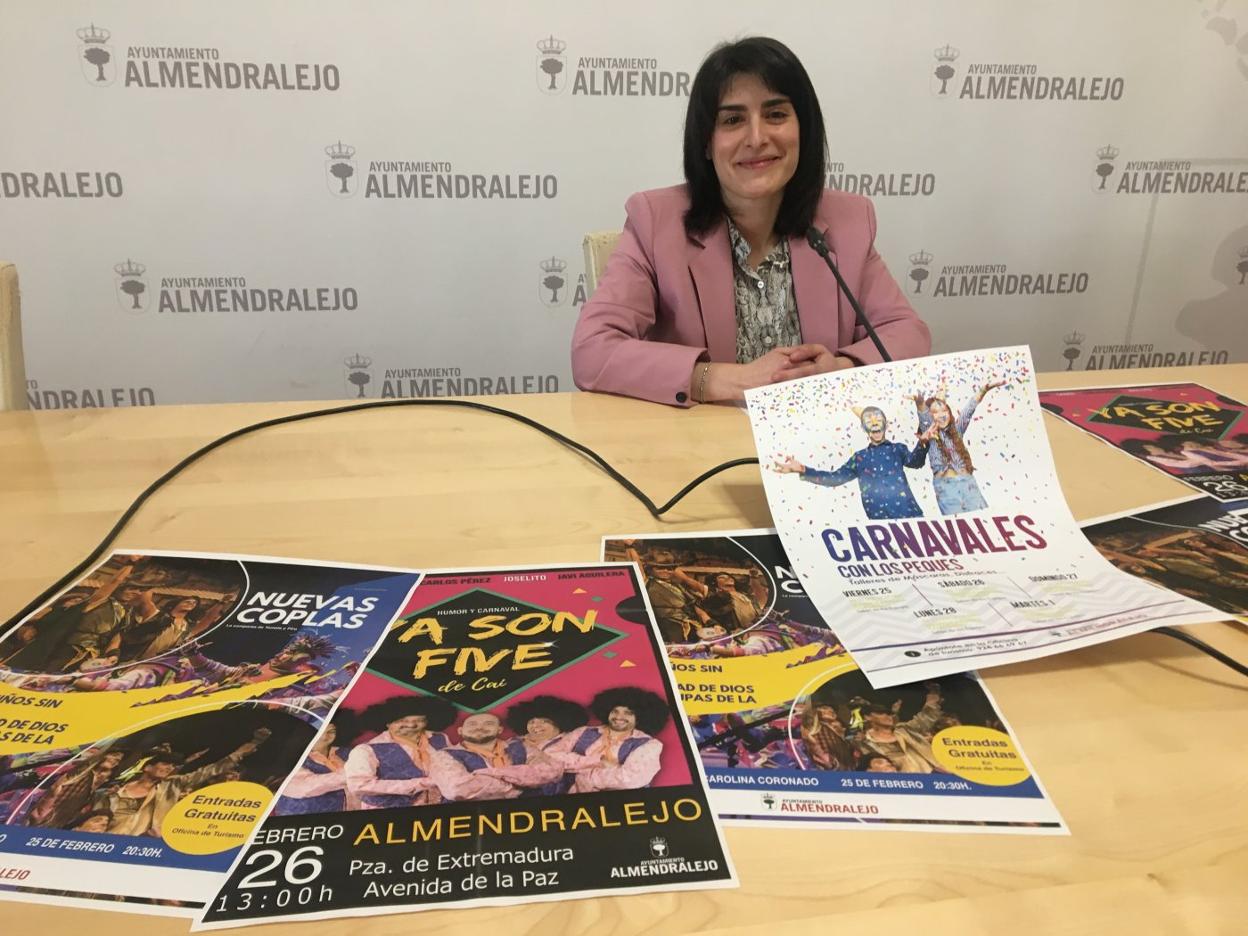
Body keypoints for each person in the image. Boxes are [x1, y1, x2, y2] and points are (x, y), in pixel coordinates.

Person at [571, 37, 929, 407]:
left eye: (776, 115)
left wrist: (839, 370)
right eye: (733, 120)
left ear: (803, 129)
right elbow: (592, 350)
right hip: (700, 440)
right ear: (706, 142)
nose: (757, 138)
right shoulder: (655, 222)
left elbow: (908, 333)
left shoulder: (849, 220)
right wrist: (721, 380)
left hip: (809, 438)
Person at [93, 728, 272, 836]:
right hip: (108, 842)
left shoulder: (172, 786)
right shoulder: (113, 792)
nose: (169, 768)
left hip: (147, 845)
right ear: (147, 767)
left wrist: (245, 749)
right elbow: (94, 818)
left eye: (172, 766)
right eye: (165, 764)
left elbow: (209, 770)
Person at [774, 406, 929, 519]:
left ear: (886, 424)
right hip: (880, 524)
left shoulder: (897, 449)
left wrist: (922, 443)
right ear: (864, 428)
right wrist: (803, 470)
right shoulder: (859, 458)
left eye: (878, 419)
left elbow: (916, 462)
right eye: (869, 421)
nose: (874, 423)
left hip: (911, 516)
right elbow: (835, 479)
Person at [549, 688, 669, 792]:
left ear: (639, 717)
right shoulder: (583, 731)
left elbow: (629, 779)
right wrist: (599, 761)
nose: (619, 717)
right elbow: (550, 755)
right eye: (615, 711)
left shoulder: (649, 745)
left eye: (628, 713)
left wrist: (584, 776)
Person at [913, 381, 1004, 515]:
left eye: (945, 410)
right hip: (946, 487)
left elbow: (968, 411)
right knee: (958, 522)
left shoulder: (957, 430)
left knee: (982, 519)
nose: (942, 415)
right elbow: (924, 417)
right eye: (935, 412)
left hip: (968, 483)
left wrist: (983, 390)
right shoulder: (930, 434)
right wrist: (920, 403)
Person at [440, 713, 562, 800]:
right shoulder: (444, 754)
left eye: (488, 724)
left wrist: (492, 774)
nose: (480, 728)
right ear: (460, 731)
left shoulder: (520, 746)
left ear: (499, 730)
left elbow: (549, 771)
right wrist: (518, 789)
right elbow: (457, 789)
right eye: (472, 724)